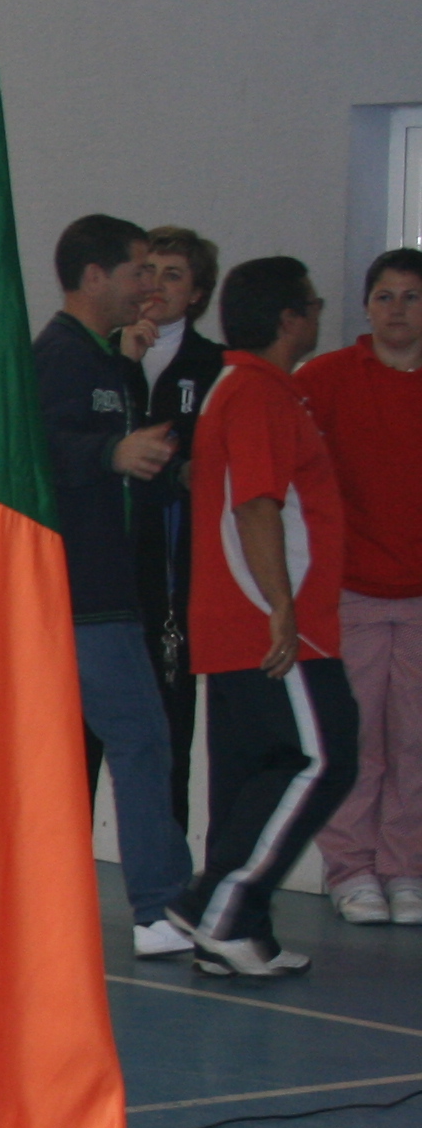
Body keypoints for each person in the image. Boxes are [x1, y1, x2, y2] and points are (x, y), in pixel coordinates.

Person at [166, 256, 352, 978]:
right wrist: (281, 607)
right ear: (288, 319)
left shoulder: (251, 389)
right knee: (325, 757)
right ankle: (217, 906)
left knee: (250, 773)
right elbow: (255, 504)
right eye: (313, 304)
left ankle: (235, 932)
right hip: (273, 622)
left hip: (246, 618)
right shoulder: (258, 393)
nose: (318, 314)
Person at [35, 212, 195, 954]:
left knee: (126, 742)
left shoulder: (108, 360)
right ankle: (160, 908)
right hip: (81, 594)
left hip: (107, 590)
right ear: (95, 276)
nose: (147, 286)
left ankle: (127, 903)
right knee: (141, 738)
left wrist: (169, 471)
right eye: (137, 271)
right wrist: (108, 454)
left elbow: (125, 458)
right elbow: (33, 451)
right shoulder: (57, 358)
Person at [300, 247, 422, 924]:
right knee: (357, 739)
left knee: (415, 743)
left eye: (412, 296)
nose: (398, 309)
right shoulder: (326, 379)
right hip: (352, 592)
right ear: (367, 306)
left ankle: (407, 868)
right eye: (385, 296)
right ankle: (351, 870)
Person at [128, 226, 225, 834]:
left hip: (176, 570)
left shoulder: (213, 366)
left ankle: (168, 854)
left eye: (173, 275)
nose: (157, 286)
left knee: (170, 721)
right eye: (149, 271)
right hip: (109, 569)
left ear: (197, 293)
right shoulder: (104, 354)